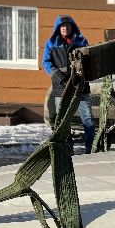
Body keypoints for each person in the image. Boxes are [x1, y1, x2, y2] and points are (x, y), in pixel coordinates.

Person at [42, 14, 95, 153]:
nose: (65, 28)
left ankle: (91, 149)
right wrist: (60, 78)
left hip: (81, 87)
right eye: (62, 26)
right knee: (63, 122)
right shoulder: (51, 44)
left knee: (88, 119)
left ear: (72, 27)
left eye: (67, 26)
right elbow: (47, 64)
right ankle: (67, 149)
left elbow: (89, 61)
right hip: (61, 88)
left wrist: (79, 76)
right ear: (58, 28)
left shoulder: (81, 41)